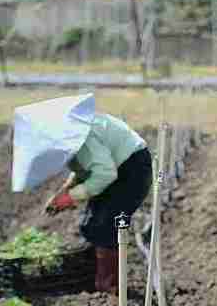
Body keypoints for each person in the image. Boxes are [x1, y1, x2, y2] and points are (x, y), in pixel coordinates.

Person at [35, 98, 151, 294]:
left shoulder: (80, 134)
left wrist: (71, 197)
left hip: (132, 169)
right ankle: (93, 277)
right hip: (116, 166)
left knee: (106, 226)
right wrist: (65, 190)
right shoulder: (70, 132)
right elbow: (85, 164)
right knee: (90, 224)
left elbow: (104, 174)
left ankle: (110, 287)